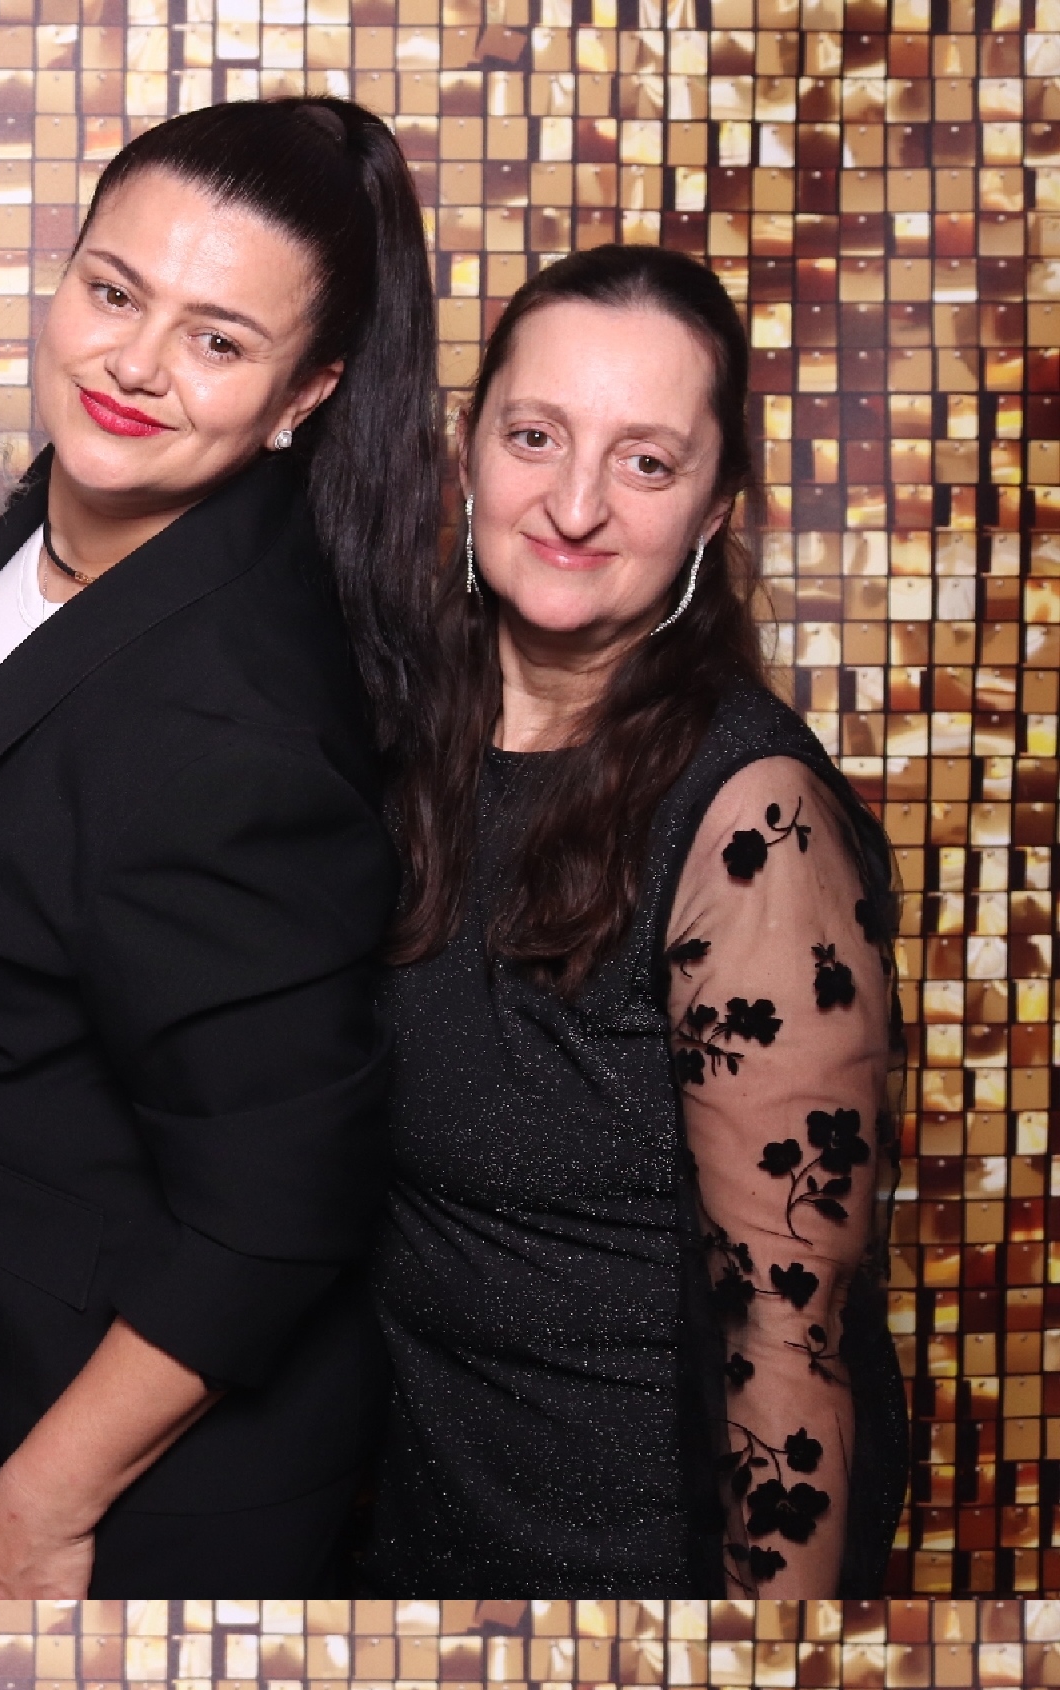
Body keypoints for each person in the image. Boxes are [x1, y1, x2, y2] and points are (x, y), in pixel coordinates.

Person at [0, 100, 441, 1599]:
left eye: (217, 340)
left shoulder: (231, 727)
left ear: (305, 394)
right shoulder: (41, 524)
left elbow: (280, 1201)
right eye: (114, 292)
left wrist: (41, 1503)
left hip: (125, 1481)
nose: (132, 364)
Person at [369, 248, 906, 1598]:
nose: (574, 505)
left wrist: (761, 1682)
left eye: (646, 463)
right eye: (535, 437)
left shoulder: (752, 823)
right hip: (399, 1553)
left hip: (626, 1582)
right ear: (468, 447)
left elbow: (792, 1338)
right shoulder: (397, 737)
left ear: (715, 507)